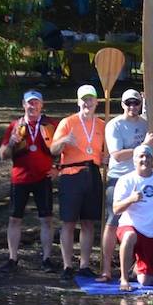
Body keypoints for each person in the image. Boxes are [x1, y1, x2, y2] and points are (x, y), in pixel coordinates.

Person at [49, 84, 107, 282]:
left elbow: (105, 152)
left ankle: (84, 265)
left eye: (90, 99)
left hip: (92, 173)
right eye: (83, 99)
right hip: (71, 173)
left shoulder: (101, 124)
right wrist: (65, 139)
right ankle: (67, 265)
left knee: (88, 222)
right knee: (69, 222)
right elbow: (53, 150)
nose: (87, 103)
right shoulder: (67, 122)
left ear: (96, 102)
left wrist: (105, 158)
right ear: (78, 101)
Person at [0, 89, 58, 272]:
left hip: (43, 177)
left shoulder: (51, 124)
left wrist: (58, 168)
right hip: (20, 178)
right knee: (15, 219)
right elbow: (3, 155)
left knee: (46, 219)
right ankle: (12, 258)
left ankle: (47, 259)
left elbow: (65, 148)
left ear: (42, 105)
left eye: (36, 103)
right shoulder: (15, 125)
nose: (33, 106)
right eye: (30, 103)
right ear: (24, 105)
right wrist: (12, 143)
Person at [102, 88, 153, 281]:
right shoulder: (114, 125)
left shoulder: (146, 122)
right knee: (113, 220)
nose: (132, 106)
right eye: (128, 103)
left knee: (140, 222)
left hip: (142, 178)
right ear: (122, 105)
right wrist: (143, 146)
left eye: (136, 103)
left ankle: (135, 267)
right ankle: (106, 269)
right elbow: (116, 154)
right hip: (119, 178)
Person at [111, 145, 153, 290]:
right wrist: (131, 199)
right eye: (141, 156)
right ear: (134, 161)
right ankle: (124, 279)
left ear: (152, 160)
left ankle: (136, 269)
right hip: (130, 226)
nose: (144, 159)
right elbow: (116, 210)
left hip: (152, 232)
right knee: (129, 236)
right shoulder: (125, 180)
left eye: (148, 156)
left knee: (145, 282)